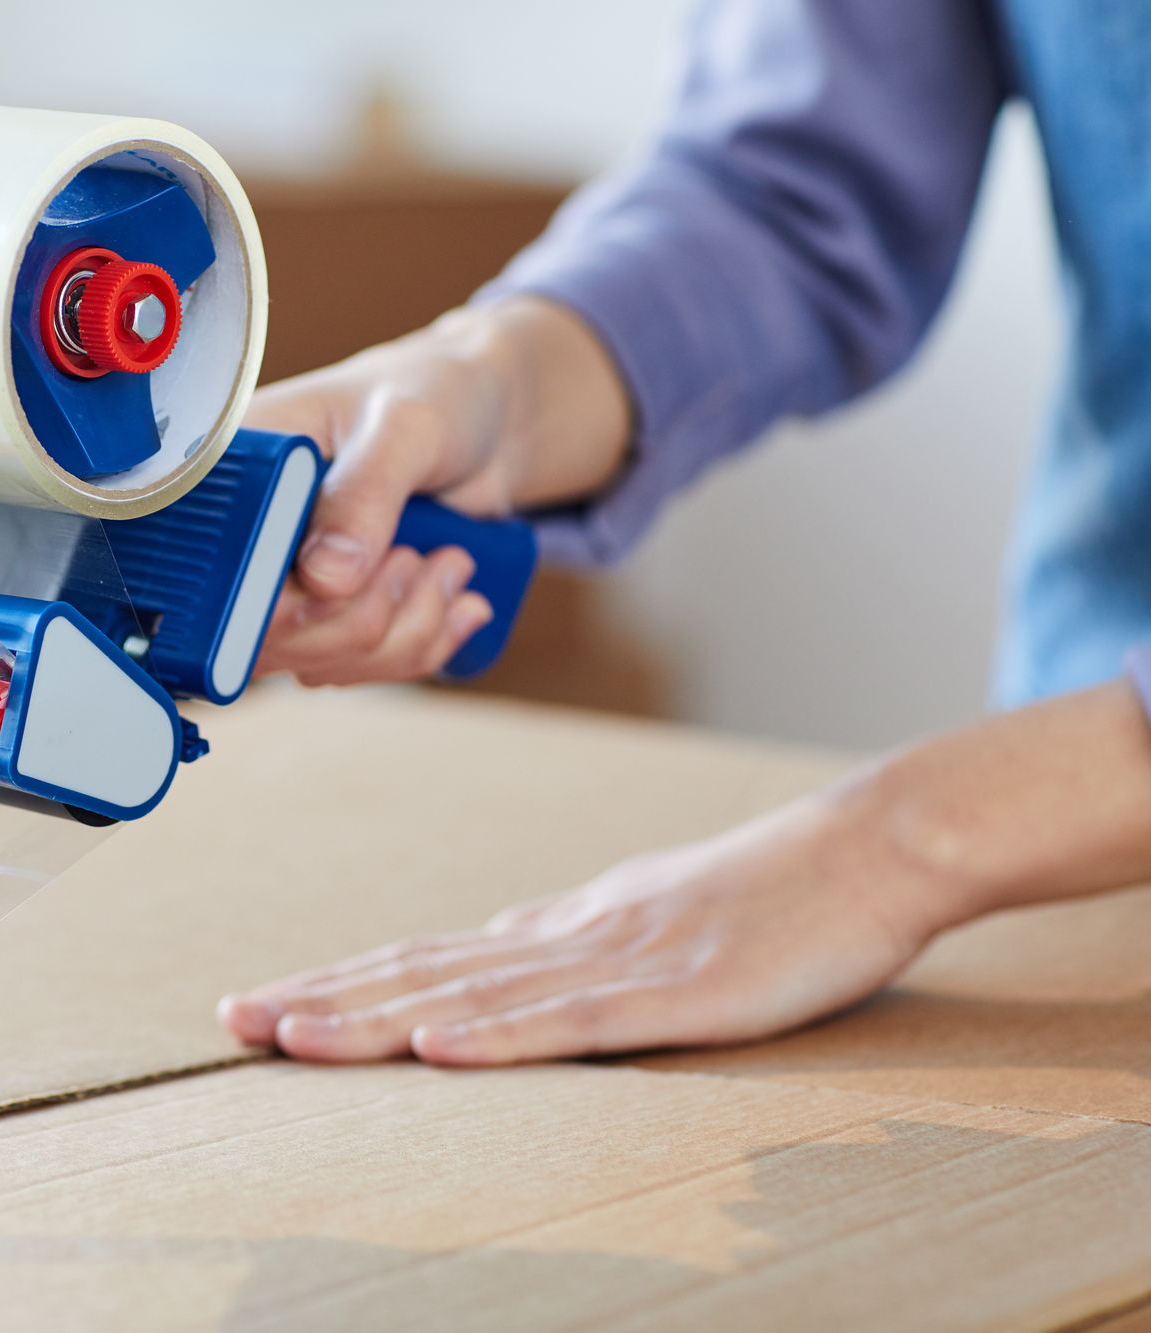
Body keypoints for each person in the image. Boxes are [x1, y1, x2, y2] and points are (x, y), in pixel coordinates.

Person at [218, 0, 1151, 1065]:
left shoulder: (925, 837)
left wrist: (902, 839)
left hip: (1032, 813)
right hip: (1057, 872)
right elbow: (787, 188)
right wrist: (493, 378)